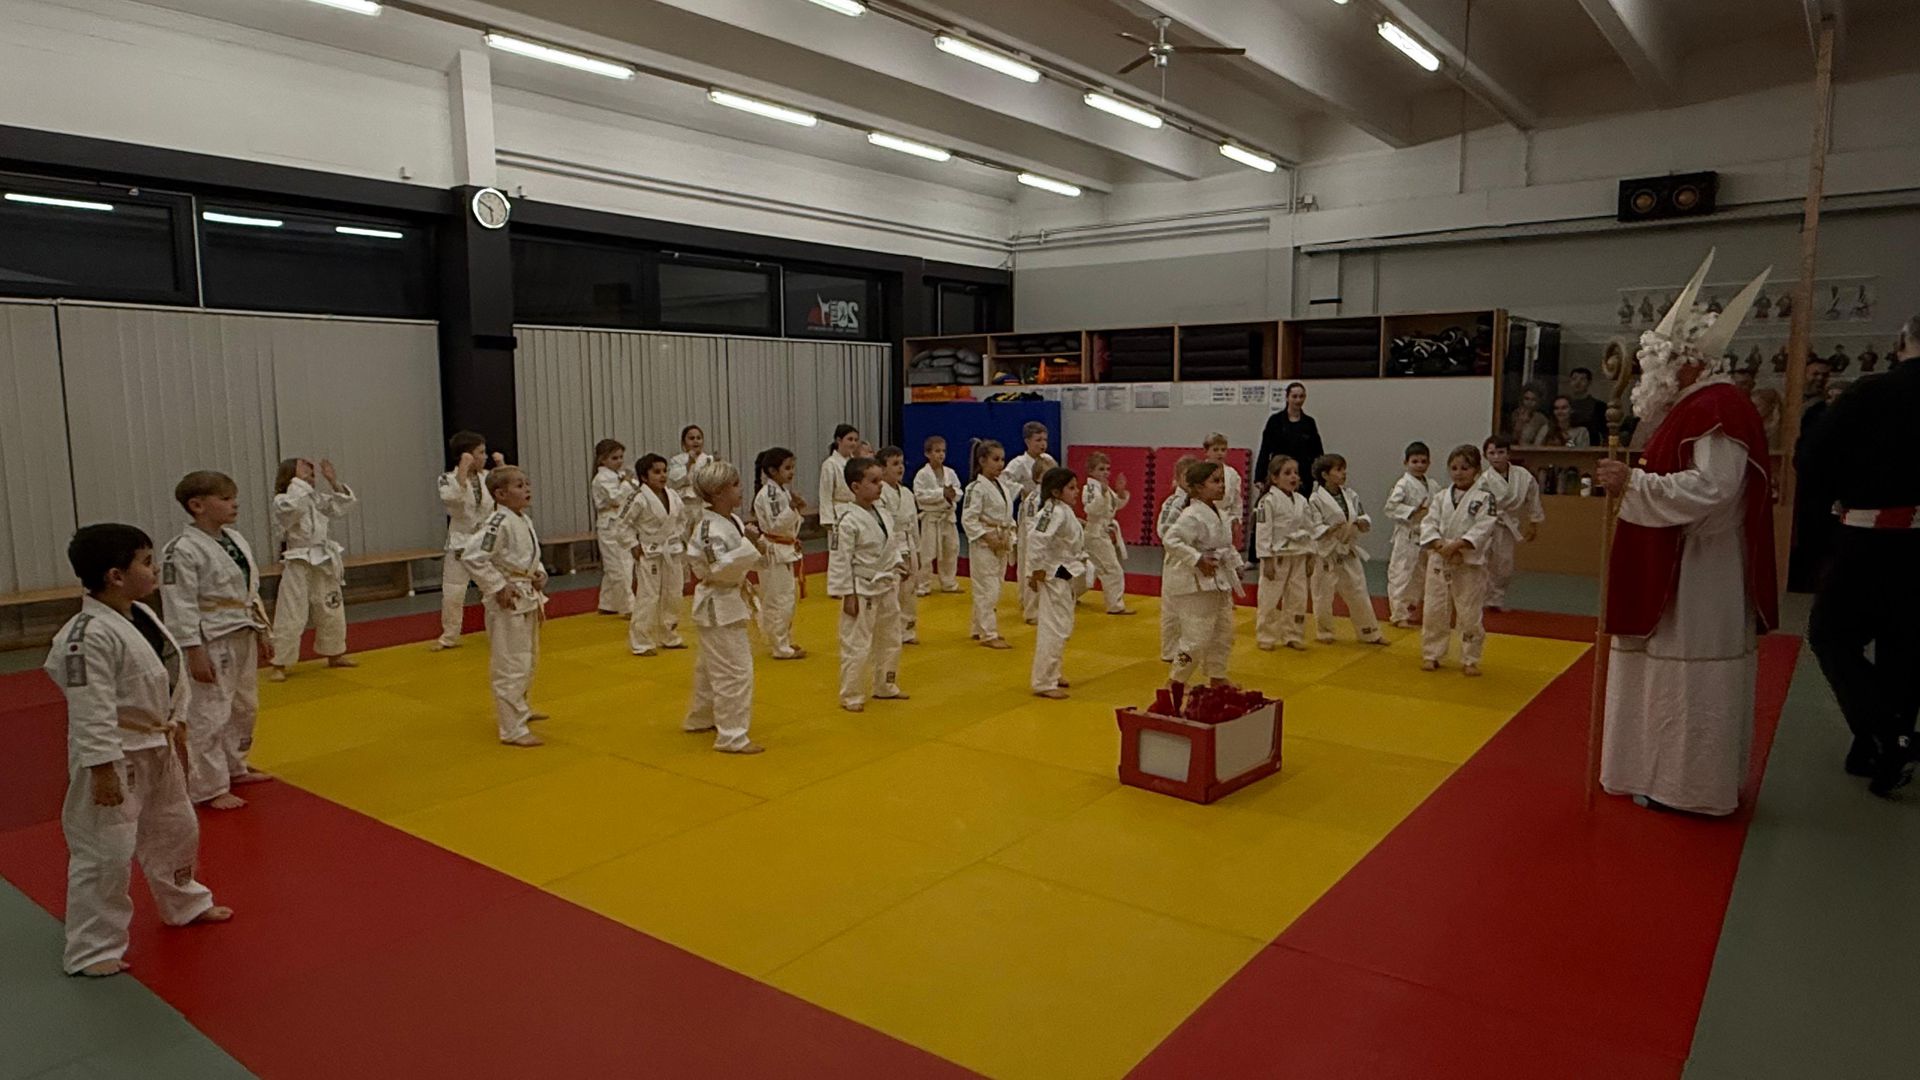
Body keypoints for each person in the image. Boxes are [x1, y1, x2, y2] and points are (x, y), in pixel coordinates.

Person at [1595, 256, 1778, 816]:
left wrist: (1634, 484)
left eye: (1657, 363)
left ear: (1688, 363)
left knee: (1689, 678)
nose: (1648, 375)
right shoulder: (1694, 406)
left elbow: (1715, 489)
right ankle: (1651, 773)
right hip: (1677, 561)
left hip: (1699, 568)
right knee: (1660, 674)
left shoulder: (1717, 408)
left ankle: (1689, 790)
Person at [46, 524, 233, 978]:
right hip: (115, 752)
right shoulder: (85, 635)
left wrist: (179, 719)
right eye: (146, 563)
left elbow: (167, 675)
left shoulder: (141, 614)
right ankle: (92, 947)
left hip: (157, 743)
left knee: (176, 828)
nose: (155, 570)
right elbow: (89, 707)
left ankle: (184, 902)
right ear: (115, 575)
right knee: (106, 851)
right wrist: (102, 769)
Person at [1802, 314, 1920, 796]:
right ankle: (1876, 749)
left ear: (1902, 340)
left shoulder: (1872, 392)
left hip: (1872, 535)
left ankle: (1887, 734)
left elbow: (1813, 457)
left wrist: (1839, 496)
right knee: (1905, 646)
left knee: (1830, 635)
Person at [161, 471, 270, 811]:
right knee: (209, 710)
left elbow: (250, 590)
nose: (234, 504)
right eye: (224, 499)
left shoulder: (234, 539)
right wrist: (192, 650)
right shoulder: (180, 550)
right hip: (210, 637)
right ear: (197, 505)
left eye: (233, 497)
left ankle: (235, 766)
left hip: (242, 628)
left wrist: (264, 629)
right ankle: (208, 786)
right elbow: (178, 604)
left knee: (244, 705)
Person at [684, 461, 769, 755]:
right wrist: (748, 546)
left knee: (710, 667)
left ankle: (701, 717)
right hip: (718, 604)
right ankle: (732, 736)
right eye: (735, 485)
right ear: (718, 492)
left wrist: (755, 545)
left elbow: (749, 560)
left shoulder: (730, 520)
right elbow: (717, 569)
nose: (740, 489)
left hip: (730, 599)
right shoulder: (708, 529)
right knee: (735, 671)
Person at [460, 467, 549, 748]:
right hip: (508, 600)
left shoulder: (522, 519)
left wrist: (539, 573)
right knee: (511, 663)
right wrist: (498, 586)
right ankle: (512, 728)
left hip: (525, 594)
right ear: (500, 494)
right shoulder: (498, 521)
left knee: (528, 658)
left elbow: (527, 556)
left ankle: (521, 707)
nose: (527, 489)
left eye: (527, 483)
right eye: (519, 485)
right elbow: (472, 556)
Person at [829, 456, 908, 712]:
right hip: (861, 589)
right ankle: (851, 694)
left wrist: (898, 562)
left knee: (891, 638)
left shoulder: (882, 513)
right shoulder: (847, 520)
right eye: (873, 481)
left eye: (880, 480)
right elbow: (840, 560)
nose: (880, 485)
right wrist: (847, 594)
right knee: (856, 644)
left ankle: (885, 684)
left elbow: (890, 544)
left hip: (886, 584)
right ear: (855, 487)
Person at [268, 457, 357, 681]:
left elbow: (341, 507)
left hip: (324, 559)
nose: (310, 469)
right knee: (291, 612)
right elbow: (294, 510)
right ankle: (280, 662)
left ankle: (335, 653)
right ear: (290, 474)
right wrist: (299, 484)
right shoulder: (283, 499)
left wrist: (333, 481)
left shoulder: (315, 498)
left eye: (311, 468)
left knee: (331, 606)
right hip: (299, 560)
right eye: (303, 466)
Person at [1419, 446, 1501, 676]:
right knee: (1434, 609)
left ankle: (1470, 658)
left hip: (1468, 563)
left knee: (1469, 612)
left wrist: (1457, 546)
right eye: (1454, 468)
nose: (1459, 473)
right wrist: (1440, 546)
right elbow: (1429, 523)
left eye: (1465, 468)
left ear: (1476, 470)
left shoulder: (1485, 498)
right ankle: (1432, 654)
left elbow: (1483, 528)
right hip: (1440, 559)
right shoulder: (1440, 497)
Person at [1163, 460, 1242, 692]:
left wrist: (1236, 564)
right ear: (1198, 487)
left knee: (1223, 633)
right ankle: (1175, 681)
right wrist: (1197, 558)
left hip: (1218, 582)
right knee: (1196, 638)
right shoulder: (1191, 515)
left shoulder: (1221, 513)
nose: (1222, 486)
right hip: (1194, 585)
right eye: (1215, 481)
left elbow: (1226, 546)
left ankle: (1217, 676)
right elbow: (1171, 540)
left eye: (1222, 481)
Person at [432, 431, 503, 651]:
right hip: (460, 542)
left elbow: (508, 488)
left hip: (485, 542)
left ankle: (500, 632)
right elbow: (454, 500)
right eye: (481, 452)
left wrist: (501, 464)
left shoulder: (488, 477)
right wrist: (463, 469)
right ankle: (449, 636)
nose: (485, 456)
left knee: (494, 588)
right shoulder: (447, 479)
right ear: (467, 455)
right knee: (453, 592)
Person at [1307, 454, 1386, 646]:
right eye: (1339, 470)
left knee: (1359, 591)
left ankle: (1369, 632)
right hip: (1326, 553)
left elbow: (1362, 514)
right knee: (1323, 595)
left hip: (1348, 550)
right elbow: (1313, 525)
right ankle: (1324, 632)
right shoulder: (1315, 499)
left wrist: (1363, 522)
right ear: (1325, 475)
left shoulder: (1350, 494)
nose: (1344, 473)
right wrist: (1327, 529)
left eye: (1344, 469)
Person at [1026, 467, 1090, 699]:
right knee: (1054, 628)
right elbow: (1036, 538)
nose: (1077, 491)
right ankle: (1044, 681)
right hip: (1054, 574)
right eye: (1071, 488)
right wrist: (1035, 571)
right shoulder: (1053, 511)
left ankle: (1053, 672)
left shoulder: (1062, 510)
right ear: (1055, 491)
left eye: (1076, 486)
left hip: (1064, 573)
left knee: (1062, 626)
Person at [620, 453, 687, 657]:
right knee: (648, 596)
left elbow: (682, 519)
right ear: (644, 477)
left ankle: (669, 635)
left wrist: (677, 537)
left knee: (674, 594)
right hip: (649, 551)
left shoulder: (673, 495)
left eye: (665, 471)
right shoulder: (638, 498)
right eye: (656, 472)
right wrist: (633, 544)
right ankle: (641, 641)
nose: (662, 475)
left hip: (672, 550)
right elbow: (622, 524)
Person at [1475, 435, 1544, 611]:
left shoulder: (1523, 476)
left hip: (1507, 526)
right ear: (1485, 456)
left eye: (1501, 452)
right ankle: (1479, 600)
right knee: (1482, 561)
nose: (1496, 457)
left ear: (1508, 454)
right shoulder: (1483, 480)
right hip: (1486, 524)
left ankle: (1496, 600)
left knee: (1504, 564)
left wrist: (1534, 522)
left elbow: (1533, 498)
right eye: (1492, 453)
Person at [751, 447, 808, 661]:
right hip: (774, 550)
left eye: (793, 467)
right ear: (773, 471)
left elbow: (786, 525)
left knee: (787, 598)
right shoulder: (770, 494)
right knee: (777, 600)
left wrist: (795, 510)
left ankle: (783, 639)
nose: (791, 472)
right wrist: (792, 508)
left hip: (784, 548)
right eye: (787, 468)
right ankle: (779, 645)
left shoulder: (781, 491)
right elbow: (775, 526)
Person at [1254, 455, 1313, 651]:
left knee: (1298, 596)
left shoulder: (1301, 500)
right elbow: (1263, 531)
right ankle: (1266, 635)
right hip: (1276, 555)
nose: (1293, 477)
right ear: (1274, 478)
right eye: (1287, 473)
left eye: (1296, 473)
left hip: (1298, 553)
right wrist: (1266, 559)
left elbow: (1309, 528)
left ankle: (1293, 634)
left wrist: (1311, 555)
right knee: (1269, 597)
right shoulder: (1267, 501)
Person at [961, 439, 1016, 649]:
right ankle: (989, 633)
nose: (1001, 464)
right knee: (987, 589)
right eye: (996, 459)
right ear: (982, 461)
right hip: (984, 544)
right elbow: (968, 519)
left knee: (996, 586)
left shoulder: (1001, 486)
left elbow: (1007, 516)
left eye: (1002, 459)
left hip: (1001, 539)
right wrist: (987, 537)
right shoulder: (975, 488)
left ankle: (978, 627)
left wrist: (1010, 535)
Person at [1789, 358, 1837, 591]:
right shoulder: (1788, 404)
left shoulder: (1824, 412)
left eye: (1824, 375)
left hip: (1811, 487)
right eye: (1815, 374)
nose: (1819, 379)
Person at [1382, 442, 1442, 627]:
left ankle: (1410, 609)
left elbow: (1440, 505)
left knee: (1419, 576)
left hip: (1425, 536)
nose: (1419, 465)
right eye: (1415, 461)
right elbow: (1390, 507)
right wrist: (1412, 511)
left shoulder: (1433, 485)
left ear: (1429, 463)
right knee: (1401, 574)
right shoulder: (1403, 484)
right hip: (1407, 536)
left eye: (1423, 461)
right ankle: (1398, 614)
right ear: (1406, 463)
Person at [1002, 422, 1056, 626]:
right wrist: (1022, 489)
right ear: (1027, 441)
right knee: (1028, 559)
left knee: (1047, 560)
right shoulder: (1018, 463)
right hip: (1030, 513)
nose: (1042, 444)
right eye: (1038, 440)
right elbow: (1004, 482)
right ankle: (1026, 600)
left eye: (1045, 440)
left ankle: (1046, 598)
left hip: (1048, 512)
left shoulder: (1048, 460)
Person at [1080, 452, 1134, 615]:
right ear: (1091, 471)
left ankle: (1069, 594)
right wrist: (1103, 493)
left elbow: (1115, 505)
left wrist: (1121, 492)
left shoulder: (1104, 488)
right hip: (1095, 533)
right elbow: (1091, 509)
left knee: (1093, 569)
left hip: (1101, 533)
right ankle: (1115, 605)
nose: (1106, 472)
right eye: (1101, 469)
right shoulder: (1090, 488)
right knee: (1112, 569)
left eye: (1108, 469)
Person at [1156, 455, 1198, 662]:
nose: (1190, 481)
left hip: (1195, 560)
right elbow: (1163, 531)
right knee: (1172, 608)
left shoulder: (1200, 503)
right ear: (1178, 478)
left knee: (1192, 607)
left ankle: (1187, 647)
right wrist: (1182, 543)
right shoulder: (1174, 502)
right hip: (1176, 560)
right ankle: (1169, 650)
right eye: (1186, 476)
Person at [878, 447, 921, 645]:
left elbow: (914, 525)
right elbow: (883, 527)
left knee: (909, 591)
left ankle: (907, 630)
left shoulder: (907, 493)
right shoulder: (880, 494)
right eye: (895, 464)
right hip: (891, 545)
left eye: (902, 463)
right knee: (892, 592)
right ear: (882, 469)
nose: (900, 468)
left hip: (908, 543)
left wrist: (917, 551)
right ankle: (891, 632)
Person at [589, 439, 637, 616]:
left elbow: (636, 491)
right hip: (610, 525)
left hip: (622, 523)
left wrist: (628, 482)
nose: (619, 461)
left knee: (618, 565)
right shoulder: (601, 479)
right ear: (602, 460)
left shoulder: (620, 475)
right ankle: (628, 607)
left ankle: (608, 603)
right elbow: (616, 499)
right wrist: (626, 483)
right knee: (619, 567)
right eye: (614, 458)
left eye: (621, 457)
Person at [1255, 382, 1325, 498]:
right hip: (1280, 473)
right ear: (1287, 397)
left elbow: (1317, 452)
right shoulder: (1275, 421)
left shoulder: (1309, 422)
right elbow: (1265, 450)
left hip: (1304, 475)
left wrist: (1321, 477)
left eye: (1301, 396)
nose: (1298, 400)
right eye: (1294, 396)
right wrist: (1259, 477)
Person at [912, 436, 962, 595]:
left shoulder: (950, 472)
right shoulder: (922, 474)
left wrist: (952, 494)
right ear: (927, 453)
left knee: (951, 550)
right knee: (927, 553)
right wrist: (941, 493)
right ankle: (923, 585)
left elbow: (959, 491)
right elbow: (919, 496)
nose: (941, 454)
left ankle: (949, 583)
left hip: (947, 516)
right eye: (937, 451)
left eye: (943, 451)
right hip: (931, 518)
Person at [667, 425, 713, 540]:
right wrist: (689, 464)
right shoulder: (677, 460)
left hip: (703, 503)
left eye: (698, 438)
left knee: (703, 535)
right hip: (685, 504)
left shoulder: (708, 459)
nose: (695, 441)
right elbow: (674, 482)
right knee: (685, 535)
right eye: (691, 438)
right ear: (684, 443)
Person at [818, 424, 861, 542]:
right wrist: (828, 520)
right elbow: (825, 494)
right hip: (839, 514)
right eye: (850, 439)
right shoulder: (830, 464)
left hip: (857, 510)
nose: (853, 443)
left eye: (856, 440)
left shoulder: (856, 463)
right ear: (839, 440)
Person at [1204, 432, 1244, 548]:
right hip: (1204, 516)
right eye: (1215, 449)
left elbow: (1237, 499)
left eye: (1223, 450)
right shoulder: (1199, 472)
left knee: (1225, 549)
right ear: (1206, 451)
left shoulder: (1232, 474)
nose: (1220, 453)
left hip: (1226, 518)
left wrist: (1236, 518)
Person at [1564, 367, 1606, 444]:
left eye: (1582, 379)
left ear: (1589, 382)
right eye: (1574, 379)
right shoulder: (1561, 405)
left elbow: (1604, 433)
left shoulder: (1599, 406)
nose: (1577, 383)